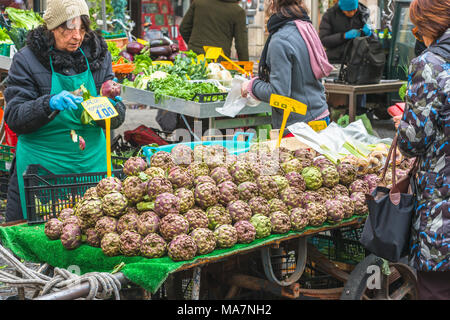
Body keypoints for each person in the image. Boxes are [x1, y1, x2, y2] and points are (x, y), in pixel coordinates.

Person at [3, 0, 126, 222]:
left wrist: (110, 106)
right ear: (51, 28)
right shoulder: (27, 59)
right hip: (43, 173)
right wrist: (47, 104)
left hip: (91, 166)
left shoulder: (98, 55)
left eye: (81, 28)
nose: (77, 36)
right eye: (67, 29)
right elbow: (14, 117)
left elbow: (116, 120)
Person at [395, 0, 449, 300]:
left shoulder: (430, 64)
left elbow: (412, 141)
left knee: (437, 289)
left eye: (418, 27)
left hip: (443, 205)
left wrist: (404, 122)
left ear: (429, 25)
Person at [241, 0, 333, 136]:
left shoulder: (280, 40)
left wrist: (251, 85)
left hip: (300, 128)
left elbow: (279, 94)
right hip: (320, 117)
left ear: (272, 3)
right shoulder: (306, 27)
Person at [179, 0, 249, 61]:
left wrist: (195, 45)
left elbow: (183, 28)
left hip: (195, 57)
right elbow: (241, 45)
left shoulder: (199, 3)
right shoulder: (238, 12)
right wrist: (245, 69)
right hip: (219, 61)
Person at [318, 0, 372, 65]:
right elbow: (324, 40)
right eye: (349, 11)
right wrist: (343, 36)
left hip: (359, 61)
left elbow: (372, 40)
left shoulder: (363, 13)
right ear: (342, 8)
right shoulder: (330, 15)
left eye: (354, 10)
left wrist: (370, 33)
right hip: (336, 60)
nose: (352, 13)